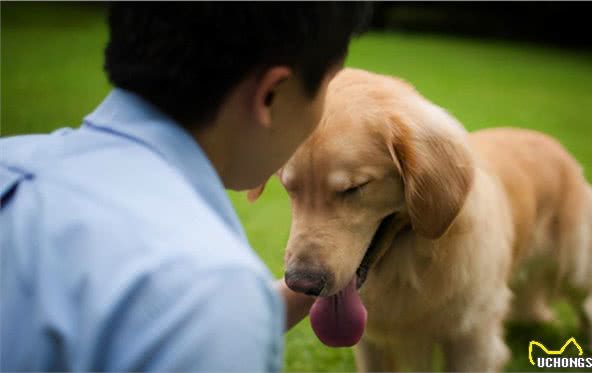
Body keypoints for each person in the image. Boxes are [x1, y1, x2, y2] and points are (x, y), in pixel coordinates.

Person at [0, 3, 371, 371]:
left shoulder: (11, 159)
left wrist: (271, 302)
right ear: (271, 94)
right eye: (326, 87)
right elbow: (190, 308)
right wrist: (228, 311)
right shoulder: (205, 288)